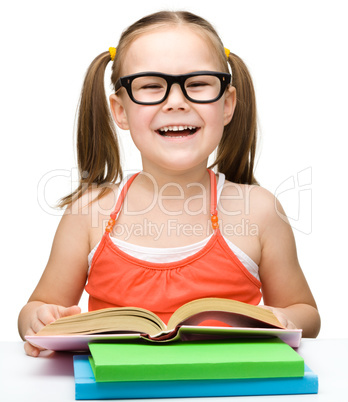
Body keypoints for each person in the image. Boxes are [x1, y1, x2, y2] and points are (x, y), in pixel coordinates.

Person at [18, 10, 320, 357]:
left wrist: (281, 317)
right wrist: (39, 318)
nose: (176, 102)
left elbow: (306, 313)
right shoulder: (87, 213)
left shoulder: (261, 211)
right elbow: (38, 306)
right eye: (150, 86)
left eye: (197, 84)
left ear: (227, 104)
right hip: (116, 389)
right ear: (120, 111)